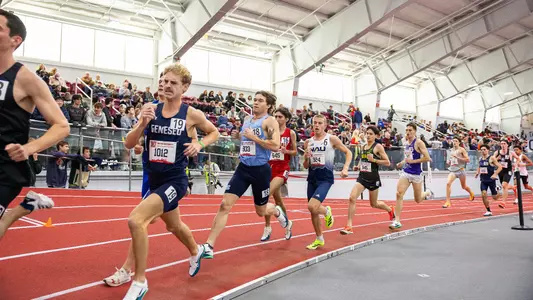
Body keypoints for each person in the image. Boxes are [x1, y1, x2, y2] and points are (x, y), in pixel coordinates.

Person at [121, 64, 220, 300]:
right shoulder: (150, 109)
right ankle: (196, 251)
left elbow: (214, 132)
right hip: (154, 179)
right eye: (163, 81)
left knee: (136, 220)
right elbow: (128, 143)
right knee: (173, 225)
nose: (166, 85)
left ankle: (139, 280)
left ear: (184, 87)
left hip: (175, 181)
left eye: (173, 83)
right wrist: (142, 124)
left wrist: (199, 144)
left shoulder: (191, 114)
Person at [0, 10, 70, 240]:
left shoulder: (26, 79)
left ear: (15, 40)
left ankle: (16, 211)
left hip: (6, 167)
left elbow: (62, 126)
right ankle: (23, 208)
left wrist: (29, 149)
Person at [201, 91, 288, 260]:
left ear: (268, 105)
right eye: (254, 100)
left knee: (261, 211)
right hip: (243, 168)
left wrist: (253, 137)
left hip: (261, 171)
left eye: (260, 101)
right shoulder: (247, 120)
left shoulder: (270, 121)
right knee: (225, 205)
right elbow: (246, 140)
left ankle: (276, 211)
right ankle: (209, 245)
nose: (255, 103)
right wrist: (238, 136)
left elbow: (276, 145)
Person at [303, 114, 352, 249]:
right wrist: (306, 158)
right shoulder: (308, 142)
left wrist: (345, 168)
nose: (317, 125)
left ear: (325, 125)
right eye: (315, 123)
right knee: (313, 211)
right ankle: (319, 239)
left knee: (312, 206)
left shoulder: (331, 139)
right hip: (312, 177)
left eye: (320, 123)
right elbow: (306, 165)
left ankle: (326, 212)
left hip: (325, 178)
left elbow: (349, 153)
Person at [340, 126, 393, 235]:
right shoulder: (364, 146)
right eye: (367, 133)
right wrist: (358, 166)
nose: (368, 135)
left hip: (373, 179)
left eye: (370, 134)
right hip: (362, 177)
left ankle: (390, 210)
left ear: (376, 136)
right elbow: (363, 159)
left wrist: (374, 160)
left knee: (374, 204)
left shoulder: (378, 147)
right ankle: (349, 226)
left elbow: (387, 162)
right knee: (352, 198)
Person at [261, 106, 297, 241]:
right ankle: (288, 224)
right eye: (275, 116)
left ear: (286, 119)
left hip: (283, 168)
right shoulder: (269, 131)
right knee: (278, 200)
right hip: (269, 167)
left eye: (280, 117)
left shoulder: (290, 133)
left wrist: (286, 152)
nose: (277, 119)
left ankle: (267, 226)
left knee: (266, 194)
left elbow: (295, 151)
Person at [390, 122, 433, 229]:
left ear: (415, 131)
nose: (408, 132)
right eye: (407, 130)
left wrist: (413, 161)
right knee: (399, 194)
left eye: (410, 130)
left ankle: (427, 192)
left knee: (418, 199)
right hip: (406, 172)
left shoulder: (419, 143)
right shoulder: (405, 142)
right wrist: (402, 163)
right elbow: (408, 156)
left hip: (416, 174)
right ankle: (397, 221)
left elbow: (427, 158)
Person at [442, 137, 475, 208]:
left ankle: (471, 193)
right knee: (448, 183)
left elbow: (467, 160)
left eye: (456, 141)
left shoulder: (462, 150)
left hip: (461, 170)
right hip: (453, 170)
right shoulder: (450, 150)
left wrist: (457, 157)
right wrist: (448, 162)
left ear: (459, 142)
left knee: (463, 186)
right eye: (453, 141)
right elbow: (449, 160)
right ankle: (448, 202)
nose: (454, 142)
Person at [474, 144, 502, 216]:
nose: (483, 151)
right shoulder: (480, 159)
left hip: (491, 180)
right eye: (481, 150)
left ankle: (498, 189)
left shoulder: (491, 158)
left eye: (484, 149)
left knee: (495, 197)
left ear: (488, 150)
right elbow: (479, 166)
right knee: (483, 194)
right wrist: (477, 172)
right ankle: (488, 210)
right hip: (483, 180)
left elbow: (500, 167)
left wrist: (495, 174)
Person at [493, 140, 519, 208]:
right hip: (500, 171)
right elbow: (491, 160)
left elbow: (518, 159)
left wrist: (515, 164)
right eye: (501, 144)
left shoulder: (511, 152)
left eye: (504, 143)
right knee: (504, 185)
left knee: (504, 185)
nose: (503, 145)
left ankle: (503, 202)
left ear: (507, 145)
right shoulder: (497, 152)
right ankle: (513, 187)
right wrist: (496, 158)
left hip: (508, 170)